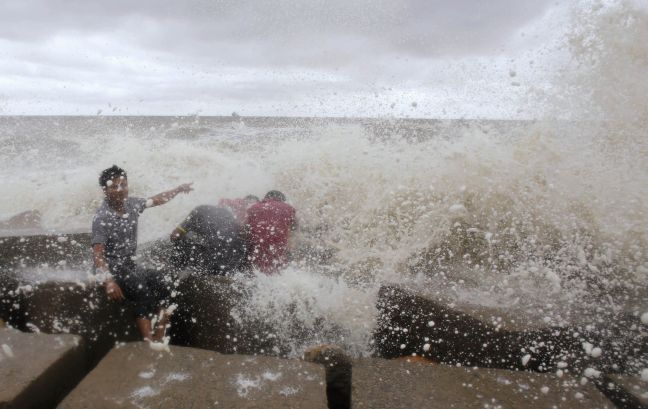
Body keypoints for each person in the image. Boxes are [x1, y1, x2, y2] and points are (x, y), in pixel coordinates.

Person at [91, 165, 192, 342]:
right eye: (114, 186)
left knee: (166, 281)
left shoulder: (132, 204)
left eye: (124, 184)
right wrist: (109, 282)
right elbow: (98, 254)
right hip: (111, 266)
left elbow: (157, 199)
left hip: (129, 265)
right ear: (105, 190)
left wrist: (178, 189)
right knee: (140, 288)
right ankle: (148, 343)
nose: (121, 190)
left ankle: (159, 336)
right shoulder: (102, 217)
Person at [169, 205, 248, 275]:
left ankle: (176, 272)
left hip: (206, 264)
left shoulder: (200, 210)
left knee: (184, 240)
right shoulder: (231, 217)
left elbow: (174, 235)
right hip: (228, 266)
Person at [246, 190, 297, 274]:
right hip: (278, 250)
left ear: (265, 198)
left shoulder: (253, 207)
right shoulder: (289, 208)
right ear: (282, 201)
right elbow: (295, 228)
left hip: (257, 249)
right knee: (282, 268)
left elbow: (246, 228)